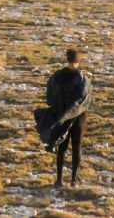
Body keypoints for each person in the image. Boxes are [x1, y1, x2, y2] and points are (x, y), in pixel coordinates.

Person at [34, 46, 91, 187]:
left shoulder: (56, 77)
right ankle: (74, 179)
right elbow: (85, 99)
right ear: (78, 62)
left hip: (60, 117)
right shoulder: (82, 78)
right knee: (77, 147)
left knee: (62, 147)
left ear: (67, 60)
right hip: (78, 117)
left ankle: (59, 180)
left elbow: (49, 97)